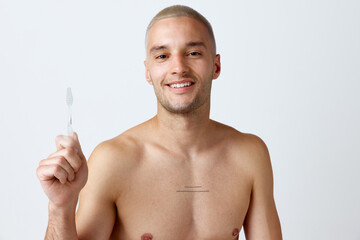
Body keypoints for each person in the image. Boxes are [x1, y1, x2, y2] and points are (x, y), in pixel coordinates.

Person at [37, 5, 282, 240]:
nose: (178, 67)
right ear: (148, 72)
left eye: (193, 53)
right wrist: (60, 207)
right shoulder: (113, 160)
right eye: (163, 56)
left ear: (216, 65)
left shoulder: (250, 155)